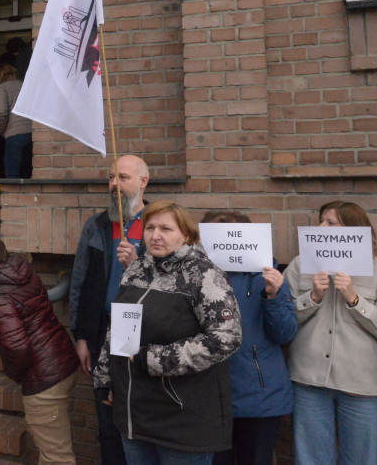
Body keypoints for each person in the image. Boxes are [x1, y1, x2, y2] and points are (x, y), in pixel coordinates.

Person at [94, 200, 242, 463]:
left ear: (186, 234)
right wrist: (107, 376)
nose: (155, 235)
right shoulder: (136, 270)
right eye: (150, 227)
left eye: (165, 228)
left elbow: (226, 337)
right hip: (135, 410)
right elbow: (120, 327)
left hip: (182, 415)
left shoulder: (203, 274)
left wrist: (154, 359)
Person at [284, 200, 377, 465]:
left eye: (330, 222)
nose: (321, 227)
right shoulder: (299, 266)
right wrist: (312, 298)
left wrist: (354, 299)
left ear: (353, 229)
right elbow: (281, 321)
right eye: (320, 221)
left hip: (363, 385)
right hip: (309, 381)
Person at [0, 232, 79, 465]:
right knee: (52, 454)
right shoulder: (21, 272)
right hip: (63, 363)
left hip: (44, 380)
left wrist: (14, 372)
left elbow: (17, 348)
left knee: (57, 459)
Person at [69, 154, 150, 465]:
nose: (114, 184)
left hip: (144, 336)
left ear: (143, 181)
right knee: (107, 424)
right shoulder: (97, 225)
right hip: (102, 332)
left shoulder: (158, 224)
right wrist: (81, 337)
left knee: (137, 424)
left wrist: (137, 264)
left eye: (123, 177)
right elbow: (79, 282)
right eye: (111, 177)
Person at [201, 210, 296, 465]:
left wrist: (274, 297)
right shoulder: (194, 277)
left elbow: (285, 334)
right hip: (209, 398)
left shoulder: (268, 277)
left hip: (258, 397)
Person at [0, 63, 32, 178]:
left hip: (14, 134)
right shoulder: (24, 85)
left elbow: (2, 112)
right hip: (31, 132)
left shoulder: (2, 87)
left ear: (0, 75)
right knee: (28, 174)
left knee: (12, 175)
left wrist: (1, 130)